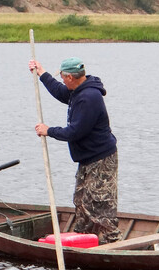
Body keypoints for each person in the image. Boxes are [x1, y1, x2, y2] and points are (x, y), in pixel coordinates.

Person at [28, 56, 122, 244]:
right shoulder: (78, 90)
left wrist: (49, 131)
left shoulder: (88, 98)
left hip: (101, 158)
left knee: (99, 203)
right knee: (81, 200)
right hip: (87, 158)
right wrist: (41, 72)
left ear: (70, 77)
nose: (62, 80)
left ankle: (114, 242)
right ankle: (83, 238)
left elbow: (75, 132)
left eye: (63, 77)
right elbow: (61, 92)